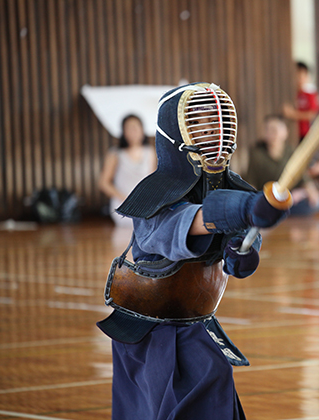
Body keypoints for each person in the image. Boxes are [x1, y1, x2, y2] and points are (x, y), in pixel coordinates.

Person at [96, 83, 291, 420]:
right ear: (175, 131)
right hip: (147, 336)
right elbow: (188, 222)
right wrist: (245, 209)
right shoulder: (155, 198)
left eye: (217, 123)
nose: (212, 132)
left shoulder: (233, 191)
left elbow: (239, 247)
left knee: (212, 393)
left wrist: (241, 253)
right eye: (200, 123)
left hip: (194, 326)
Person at [246, 115, 319, 216]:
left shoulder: (292, 153)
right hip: (268, 200)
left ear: (285, 132)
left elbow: (304, 179)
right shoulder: (256, 154)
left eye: (275, 129)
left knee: (316, 204)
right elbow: (251, 182)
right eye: (268, 129)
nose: (272, 133)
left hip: (291, 200)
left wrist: (310, 192)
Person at [98, 114, 157, 227]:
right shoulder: (115, 154)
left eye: (136, 127)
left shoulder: (150, 152)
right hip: (122, 203)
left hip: (144, 204)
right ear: (124, 132)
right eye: (129, 128)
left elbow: (153, 181)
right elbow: (104, 183)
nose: (133, 131)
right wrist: (125, 199)